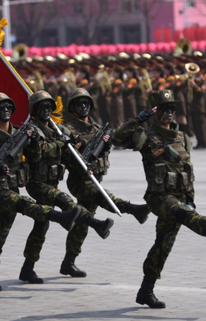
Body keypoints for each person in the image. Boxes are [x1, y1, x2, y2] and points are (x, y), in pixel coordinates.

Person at [112, 89, 206, 308]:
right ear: (154, 111)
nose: (169, 113)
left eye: (172, 108)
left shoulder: (182, 137)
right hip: (159, 198)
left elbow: (187, 169)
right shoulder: (146, 135)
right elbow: (117, 138)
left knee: (163, 245)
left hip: (179, 196)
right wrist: (137, 119)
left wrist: (190, 197)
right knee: (188, 216)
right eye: (163, 108)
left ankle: (145, 291)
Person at [0, 92, 80, 291]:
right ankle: (61, 217)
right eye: (0, 108)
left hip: (13, 187)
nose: (5, 110)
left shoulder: (20, 134)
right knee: (29, 206)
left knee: (0, 234)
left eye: (8, 107)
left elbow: (36, 154)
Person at [20, 90, 114, 284]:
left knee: (41, 225)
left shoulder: (59, 129)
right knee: (66, 203)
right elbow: (37, 155)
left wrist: (86, 153)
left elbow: (73, 153)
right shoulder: (31, 130)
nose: (46, 110)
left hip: (52, 182)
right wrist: (59, 144)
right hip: (37, 183)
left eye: (48, 107)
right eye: (41, 107)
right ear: (34, 110)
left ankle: (29, 269)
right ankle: (96, 224)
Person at [60, 88, 150, 277]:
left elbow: (111, 145)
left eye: (86, 103)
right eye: (79, 103)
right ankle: (134, 209)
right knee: (102, 197)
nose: (83, 106)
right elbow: (65, 157)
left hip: (95, 178)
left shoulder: (97, 128)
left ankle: (68, 262)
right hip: (79, 181)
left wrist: (106, 146)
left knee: (82, 223)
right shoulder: (68, 130)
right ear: (72, 108)